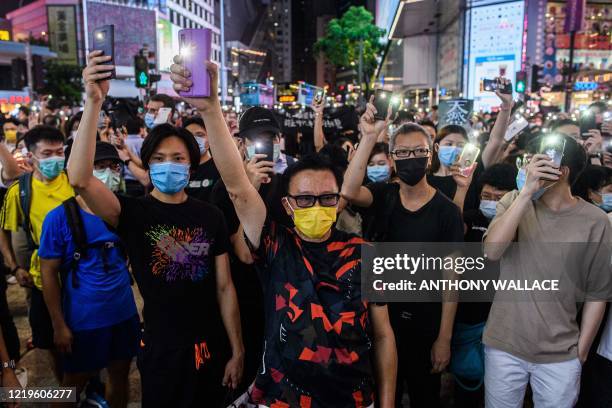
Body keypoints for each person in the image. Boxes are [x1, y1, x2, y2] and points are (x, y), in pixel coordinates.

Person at [170, 56, 397, 408]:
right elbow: (237, 188)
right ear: (288, 205)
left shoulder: (366, 254)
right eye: (305, 198)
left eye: (326, 198)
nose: (315, 205)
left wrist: (385, 404)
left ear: (338, 201)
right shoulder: (275, 244)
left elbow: (383, 337)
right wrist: (211, 109)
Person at [67, 51, 243, 407]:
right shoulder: (133, 212)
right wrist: (93, 102)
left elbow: (225, 288)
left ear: (192, 167)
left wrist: (237, 349)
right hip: (161, 349)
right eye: (158, 160)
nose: (169, 166)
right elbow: (80, 178)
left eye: (178, 158)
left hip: (211, 347)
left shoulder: (211, 216)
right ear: (146, 165)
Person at [342, 100, 462, 408]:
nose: (412, 159)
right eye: (403, 153)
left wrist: (444, 338)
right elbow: (350, 192)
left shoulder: (446, 211)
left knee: (425, 397)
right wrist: (369, 137)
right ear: (393, 159)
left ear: (430, 155)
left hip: (425, 324)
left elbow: (452, 279)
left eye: (419, 152)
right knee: (384, 396)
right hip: (380, 320)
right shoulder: (383, 196)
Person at [483, 135, 611, 408]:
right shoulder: (514, 201)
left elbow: (598, 292)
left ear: (561, 170)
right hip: (504, 344)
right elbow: (492, 251)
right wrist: (526, 194)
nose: (529, 165)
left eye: (539, 159)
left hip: (561, 353)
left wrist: (582, 351)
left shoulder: (595, 221)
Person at [39, 141, 138, 408]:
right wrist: (59, 325)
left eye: (112, 166)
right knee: (72, 383)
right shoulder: (59, 218)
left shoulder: (124, 211)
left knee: (120, 376)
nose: (107, 172)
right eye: (98, 167)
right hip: (84, 321)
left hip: (123, 313)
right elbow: (48, 273)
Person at [0, 125, 74, 381]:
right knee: (51, 341)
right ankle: (65, 384)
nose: (55, 158)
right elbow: (4, 231)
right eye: (46, 153)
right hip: (43, 283)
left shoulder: (76, 182)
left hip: (80, 279)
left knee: (83, 337)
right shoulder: (19, 192)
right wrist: (15, 267)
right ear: (30, 156)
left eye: (59, 152)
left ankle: (87, 383)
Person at [183, 117, 221, 203]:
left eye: (200, 135)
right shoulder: (178, 168)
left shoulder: (220, 168)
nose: (194, 139)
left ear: (210, 137)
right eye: (189, 135)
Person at [122, 116, 148, 197]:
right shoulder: (145, 142)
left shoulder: (123, 143)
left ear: (126, 129)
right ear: (141, 129)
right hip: (142, 181)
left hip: (127, 181)